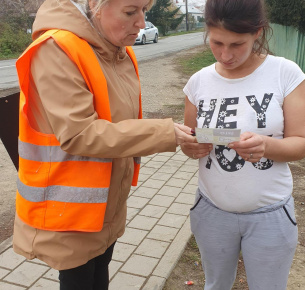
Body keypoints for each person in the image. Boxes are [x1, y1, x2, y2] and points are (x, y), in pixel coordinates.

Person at [13, 0, 195, 289]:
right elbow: (79, 133)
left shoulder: (119, 52)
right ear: (96, 6)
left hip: (106, 201)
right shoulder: (57, 49)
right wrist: (163, 133)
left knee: (99, 275)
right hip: (68, 208)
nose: (141, 23)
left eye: (144, 11)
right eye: (130, 11)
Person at [180, 0, 305, 289]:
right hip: (211, 211)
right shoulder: (198, 83)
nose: (225, 54)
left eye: (237, 44)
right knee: (215, 285)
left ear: (258, 33)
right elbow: (193, 139)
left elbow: (302, 144)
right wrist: (190, 147)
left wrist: (268, 146)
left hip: (270, 214)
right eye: (217, 42)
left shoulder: (285, 74)